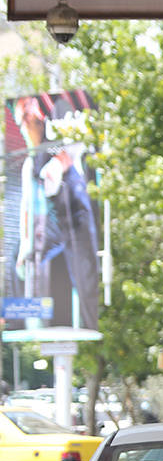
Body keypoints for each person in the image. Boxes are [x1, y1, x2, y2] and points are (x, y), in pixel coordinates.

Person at [12, 95, 101, 331]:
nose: (25, 124)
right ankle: (23, 320)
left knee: (84, 275)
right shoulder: (31, 161)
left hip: (74, 215)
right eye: (21, 121)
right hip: (52, 223)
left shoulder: (54, 130)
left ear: (35, 111)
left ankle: (90, 326)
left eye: (27, 116)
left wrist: (55, 168)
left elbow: (63, 159)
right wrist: (25, 244)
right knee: (20, 259)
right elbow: (26, 206)